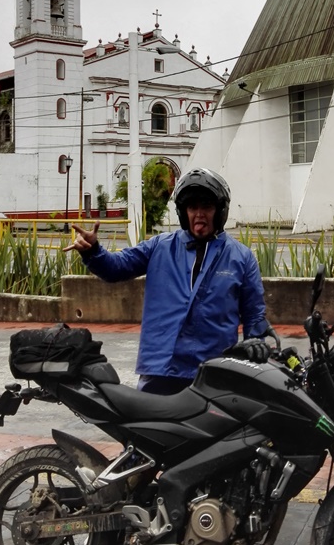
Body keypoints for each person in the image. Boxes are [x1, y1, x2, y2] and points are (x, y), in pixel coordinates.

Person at [68, 168, 269, 394]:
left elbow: (255, 315)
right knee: (146, 427)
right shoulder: (160, 246)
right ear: (183, 212)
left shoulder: (241, 257)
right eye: (192, 207)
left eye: (207, 206)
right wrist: (93, 251)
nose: (199, 214)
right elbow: (116, 268)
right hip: (161, 368)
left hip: (214, 370)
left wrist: (258, 344)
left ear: (220, 211)